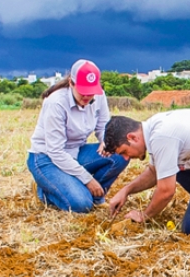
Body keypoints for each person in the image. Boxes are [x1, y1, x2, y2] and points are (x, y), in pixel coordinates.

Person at [27, 59, 129, 213]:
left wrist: (106, 142)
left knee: (120, 154)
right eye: (83, 91)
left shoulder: (99, 97)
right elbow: (55, 151)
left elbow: (103, 127)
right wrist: (88, 179)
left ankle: (94, 197)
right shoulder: (56, 103)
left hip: (76, 152)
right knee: (81, 205)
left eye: (91, 91)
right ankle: (45, 191)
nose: (87, 96)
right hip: (47, 158)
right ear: (71, 83)